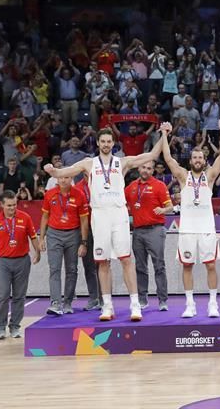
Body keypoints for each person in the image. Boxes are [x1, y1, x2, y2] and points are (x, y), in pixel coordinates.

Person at [44, 128, 164, 322]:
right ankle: (107, 306)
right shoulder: (88, 163)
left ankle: (135, 305)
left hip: (118, 214)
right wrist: (52, 170)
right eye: (103, 141)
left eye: (109, 141)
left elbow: (151, 155)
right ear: (98, 143)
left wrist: (164, 135)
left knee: (126, 260)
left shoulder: (122, 162)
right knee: (103, 261)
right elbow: (63, 172)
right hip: (99, 215)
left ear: (113, 143)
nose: (106, 144)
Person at [161, 120, 220, 318]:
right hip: (187, 230)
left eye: (201, 157)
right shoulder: (183, 176)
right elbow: (168, 158)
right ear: (190, 161)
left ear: (205, 160)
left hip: (207, 229)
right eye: (195, 157)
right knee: (187, 265)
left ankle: (213, 304)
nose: (198, 160)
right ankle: (190, 305)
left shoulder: (210, 176)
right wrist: (164, 134)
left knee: (211, 265)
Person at [0, 190, 40, 340]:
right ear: (2, 205)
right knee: (3, 294)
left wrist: (38, 252)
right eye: (9, 205)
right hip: (3, 262)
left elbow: (33, 236)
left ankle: (15, 326)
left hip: (22, 261)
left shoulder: (25, 217)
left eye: (15, 205)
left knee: (19, 296)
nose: (12, 208)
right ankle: (0, 327)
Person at [125, 160, 173, 311]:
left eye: (149, 168)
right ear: (139, 168)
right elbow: (123, 203)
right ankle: (142, 299)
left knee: (159, 266)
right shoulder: (131, 187)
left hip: (155, 230)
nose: (146, 170)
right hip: (137, 231)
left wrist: (163, 210)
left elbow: (170, 207)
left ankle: (162, 300)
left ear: (153, 171)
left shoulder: (159, 185)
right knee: (140, 267)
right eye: (144, 168)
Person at [40, 175, 89, 316]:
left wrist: (84, 242)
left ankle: (67, 303)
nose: (63, 180)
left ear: (71, 178)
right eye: (60, 178)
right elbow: (44, 217)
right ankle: (55, 303)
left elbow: (84, 221)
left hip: (73, 234)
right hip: (53, 234)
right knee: (54, 269)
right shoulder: (50, 194)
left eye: (66, 177)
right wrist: (41, 238)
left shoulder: (79, 194)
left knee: (72, 269)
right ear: (57, 179)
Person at [74, 176, 101, 310]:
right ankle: (93, 298)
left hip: (101, 226)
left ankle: (104, 298)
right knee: (89, 265)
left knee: (103, 264)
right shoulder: (77, 188)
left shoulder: (102, 183)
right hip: (85, 228)